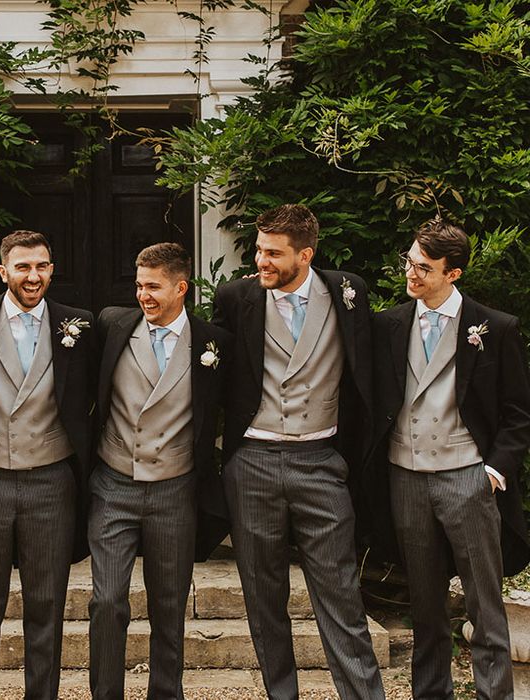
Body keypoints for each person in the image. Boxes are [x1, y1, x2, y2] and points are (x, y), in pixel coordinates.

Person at [212, 204, 384, 700]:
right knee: (264, 599)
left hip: (322, 460)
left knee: (340, 596)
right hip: (253, 461)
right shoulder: (236, 297)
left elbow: (364, 374)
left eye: (273, 253)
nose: (261, 260)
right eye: (260, 248)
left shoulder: (348, 292)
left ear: (306, 254)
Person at [370, 218, 530, 699]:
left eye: (423, 267)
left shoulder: (495, 328)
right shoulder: (388, 324)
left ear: (453, 273)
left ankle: (494, 695)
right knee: (425, 606)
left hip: (468, 478)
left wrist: (495, 472)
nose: (411, 273)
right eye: (409, 261)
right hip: (407, 478)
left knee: (485, 606)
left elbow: (518, 412)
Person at [0, 230, 96, 700]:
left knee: (46, 608)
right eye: (24, 267)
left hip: (51, 481)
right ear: (3, 271)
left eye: (43, 266)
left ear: (52, 269)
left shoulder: (80, 325)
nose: (34, 277)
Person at [88, 242, 232, 700]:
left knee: (168, 607)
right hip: (114, 485)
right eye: (138, 285)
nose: (143, 295)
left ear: (181, 288)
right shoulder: (112, 326)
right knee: (107, 601)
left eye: (153, 286)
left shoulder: (214, 344)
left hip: (175, 490)